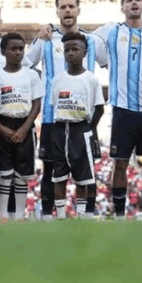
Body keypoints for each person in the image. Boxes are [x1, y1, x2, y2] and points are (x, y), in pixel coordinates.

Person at [27, 0, 108, 219]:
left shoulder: (92, 41)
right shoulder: (45, 39)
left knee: (87, 171)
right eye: (63, 7)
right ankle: (48, 217)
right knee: (50, 169)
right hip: (52, 118)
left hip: (83, 120)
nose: (67, 10)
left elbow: (109, 63)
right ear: (57, 12)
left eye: (71, 6)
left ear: (78, 10)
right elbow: (26, 64)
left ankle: (87, 216)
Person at [94, 0, 142, 219]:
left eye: (137, 0)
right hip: (122, 109)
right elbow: (85, 40)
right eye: (129, 0)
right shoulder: (110, 31)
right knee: (120, 163)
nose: (133, 3)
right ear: (122, 7)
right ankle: (118, 215)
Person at [50, 32, 105, 219]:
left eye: (75, 49)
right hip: (60, 129)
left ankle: (81, 216)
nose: (71, 53)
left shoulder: (91, 79)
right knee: (58, 176)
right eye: (67, 50)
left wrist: (90, 128)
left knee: (83, 177)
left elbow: (99, 108)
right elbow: (54, 105)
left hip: (81, 129)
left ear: (84, 52)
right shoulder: (57, 80)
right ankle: (60, 216)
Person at [0, 33, 42, 220]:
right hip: (3, 125)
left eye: (21, 49)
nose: (18, 52)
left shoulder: (32, 75)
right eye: (13, 49)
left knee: (22, 175)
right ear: (3, 51)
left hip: (25, 126)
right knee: (5, 175)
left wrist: (25, 128)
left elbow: (36, 104)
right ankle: (3, 214)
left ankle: (19, 215)